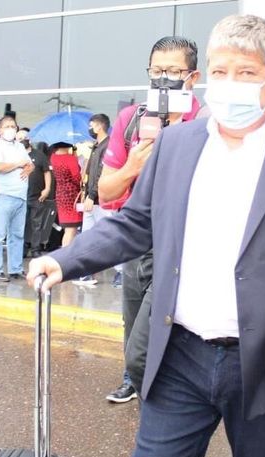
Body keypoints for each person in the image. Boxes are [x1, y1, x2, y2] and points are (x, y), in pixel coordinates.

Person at [27, 15, 265, 457]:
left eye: (246, 72)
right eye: (221, 71)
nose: (231, 83)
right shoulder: (176, 143)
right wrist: (65, 260)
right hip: (180, 356)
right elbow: (136, 223)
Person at [97, 35, 204, 408]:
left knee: (146, 342)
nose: (163, 79)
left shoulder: (207, 122)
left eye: (173, 71)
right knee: (133, 326)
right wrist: (133, 166)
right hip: (136, 239)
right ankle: (134, 379)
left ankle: (164, 403)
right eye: (156, 71)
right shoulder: (132, 119)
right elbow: (106, 191)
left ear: (192, 77)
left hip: (182, 245)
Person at [74, 113, 124, 288]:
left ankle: (122, 272)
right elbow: (91, 173)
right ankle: (86, 273)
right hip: (91, 201)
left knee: (110, 236)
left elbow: (103, 174)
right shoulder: (96, 147)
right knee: (87, 237)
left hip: (101, 200)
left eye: (91, 125)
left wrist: (92, 195)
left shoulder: (108, 146)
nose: (89, 128)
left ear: (99, 126)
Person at [0, 116, 33, 282]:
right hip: (4, 195)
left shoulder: (20, 146)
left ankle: (16, 268)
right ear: (0, 130)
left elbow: (30, 164)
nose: (11, 129)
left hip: (21, 196)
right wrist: (18, 164)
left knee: (17, 234)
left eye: (13, 126)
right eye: (7, 126)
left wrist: (28, 169)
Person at [21, 131, 53, 258]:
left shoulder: (39, 155)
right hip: (20, 196)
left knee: (37, 224)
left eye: (25, 137)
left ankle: (35, 249)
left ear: (29, 139)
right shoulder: (15, 155)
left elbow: (47, 172)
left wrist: (47, 189)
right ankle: (22, 249)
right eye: (20, 138)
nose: (22, 139)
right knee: (20, 224)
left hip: (37, 196)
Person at [49, 143, 82, 247]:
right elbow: (77, 178)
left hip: (60, 193)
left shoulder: (53, 157)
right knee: (71, 230)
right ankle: (66, 253)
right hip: (72, 196)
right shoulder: (70, 158)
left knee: (68, 228)